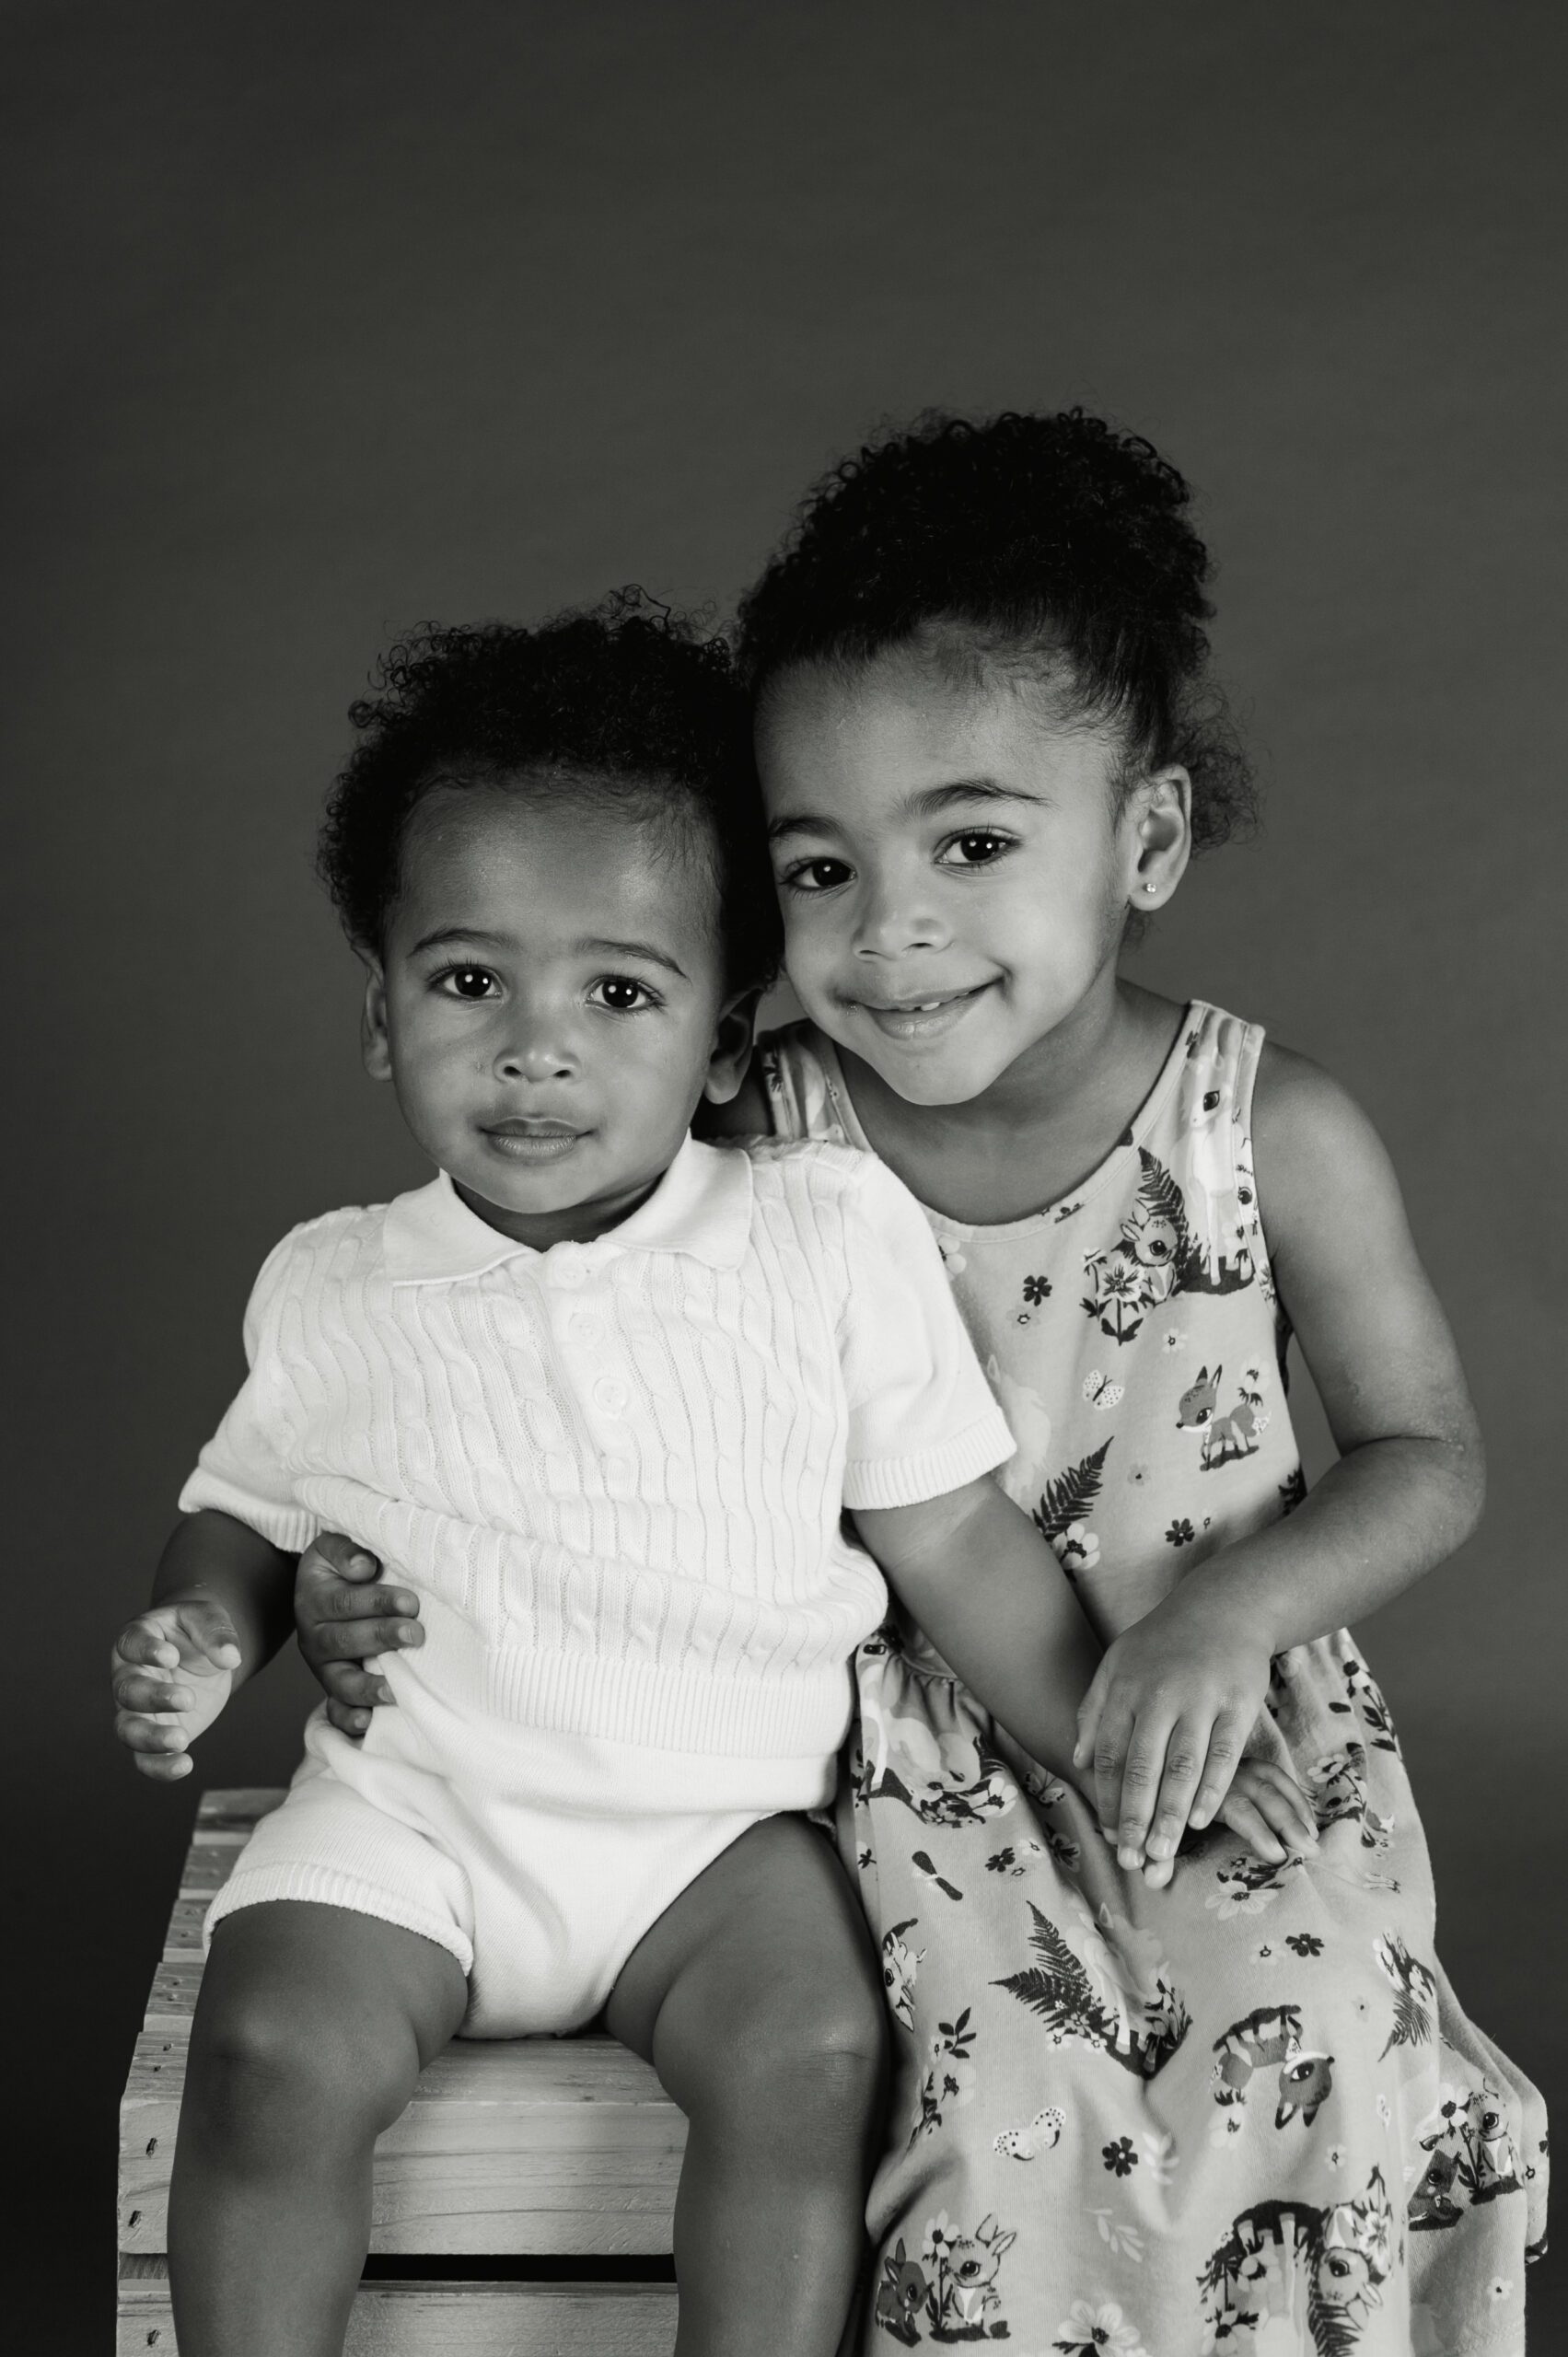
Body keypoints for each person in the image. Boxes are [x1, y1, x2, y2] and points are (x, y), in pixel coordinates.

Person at [300, 414, 1546, 2355]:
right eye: (819, 863)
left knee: (1320, 2020)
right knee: (998, 2106)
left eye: (971, 841)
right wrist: (351, 1569)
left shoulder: (1263, 1130)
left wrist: (1232, 1614)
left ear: (1146, 839)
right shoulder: (762, 1110)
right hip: (888, 1742)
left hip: (1191, 1703)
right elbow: (510, 1315)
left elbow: (1429, 1457)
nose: (889, 927)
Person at [110, 594, 1309, 2357]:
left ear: (727, 1040)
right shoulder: (338, 1280)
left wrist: (1125, 1754)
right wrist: (202, 1631)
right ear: (379, 1016)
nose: (539, 1047)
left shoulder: (816, 1237)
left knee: (813, 2050)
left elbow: (956, 1540)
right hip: (420, 1817)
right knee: (271, 2047)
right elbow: (244, 1511)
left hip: (721, 1839)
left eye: (619, 992)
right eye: (466, 983)